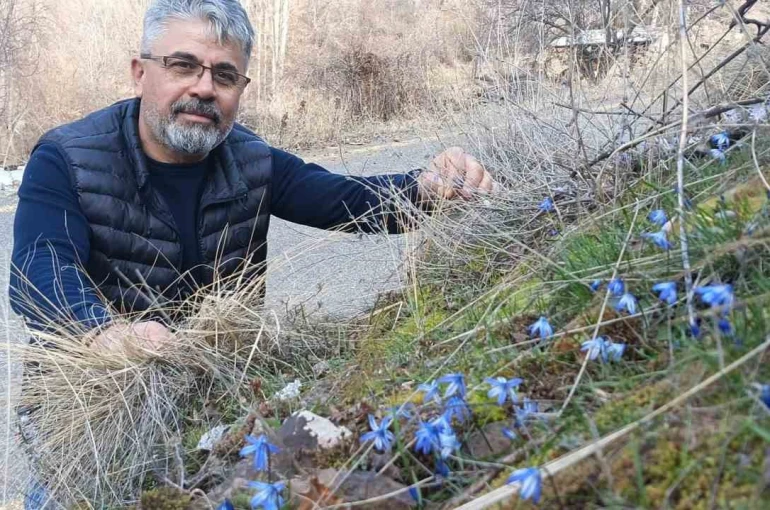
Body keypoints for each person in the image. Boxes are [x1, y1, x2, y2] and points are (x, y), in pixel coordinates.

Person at [9, 0, 493, 355]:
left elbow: (346, 200)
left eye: (224, 75)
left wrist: (428, 187)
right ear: (140, 73)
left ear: (240, 88)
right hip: (99, 412)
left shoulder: (251, 158)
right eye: (183, 66)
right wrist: (104, 335)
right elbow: (41, 268)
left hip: (215, 392)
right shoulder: (65, 157)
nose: (203, 87)